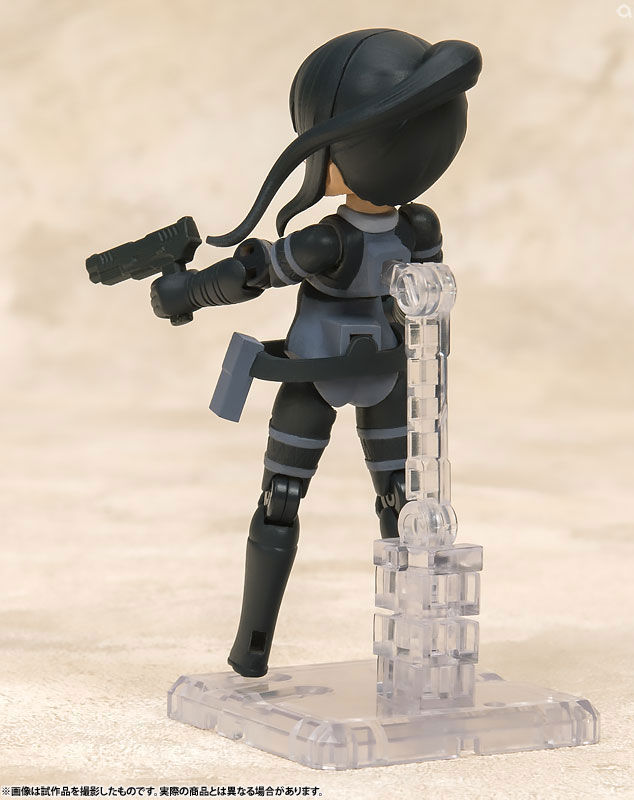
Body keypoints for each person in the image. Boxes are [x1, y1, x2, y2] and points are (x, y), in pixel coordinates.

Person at [150, 28, 482, 677]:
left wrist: (182, 293)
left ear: (339, 150)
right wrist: (186, 291)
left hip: (347, 378)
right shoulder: (417, 230)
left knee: (374, 504)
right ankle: (255, 649)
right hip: (362, 377)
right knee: (369, 501)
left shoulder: (328, 242)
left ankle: (392, 652)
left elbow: (249, 274)